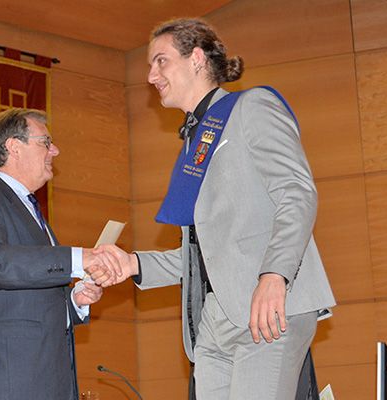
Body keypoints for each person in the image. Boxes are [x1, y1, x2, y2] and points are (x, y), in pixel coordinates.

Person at [90, 18, 336, 399]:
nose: (152, 76)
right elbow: (205, 252)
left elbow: (297, 193)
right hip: (213, 321)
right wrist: (133, 264)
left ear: (197, 58)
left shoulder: (252, 106)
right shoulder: (194, 138)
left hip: (266, 304)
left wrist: (275, 277)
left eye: (160, 61)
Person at [0, 108, 109, 400]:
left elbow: (30, 299)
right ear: (14, 147)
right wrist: (78, 259)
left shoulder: (34, 213)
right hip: (10, 378)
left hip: (47, 377)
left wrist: (73, 302)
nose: (55, 150)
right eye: (45, 142)